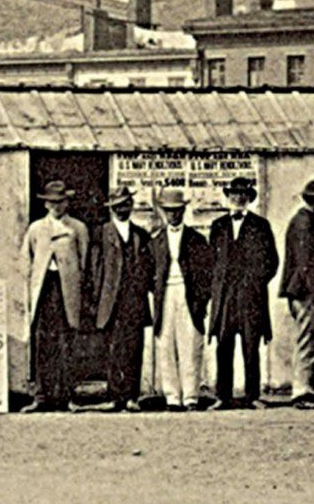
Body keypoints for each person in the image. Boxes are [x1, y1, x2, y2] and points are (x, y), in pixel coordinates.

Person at [207, 176, 279, 410]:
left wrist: (255, 283)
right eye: (234, 194)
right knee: (223, 345)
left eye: (242, 195)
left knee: (251, 346)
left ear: (249, 199)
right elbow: (212, 262)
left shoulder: (261, 225)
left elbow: (272, 262)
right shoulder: (218, 226)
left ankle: (252, 396)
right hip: (226, 297)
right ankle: (223, 396)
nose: (238, 198)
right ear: (228, 197)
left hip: (250, 297)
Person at [21, 180, 89, 412]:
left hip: (66, 291)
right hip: (43, 290)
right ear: (46, 204)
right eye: (52, 202)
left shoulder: (77, 228)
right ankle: (41, 396)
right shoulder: (36, 228)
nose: (56, 206)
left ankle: (67, 397)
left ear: (67, 203)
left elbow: (84, 261)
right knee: (42, 344)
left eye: (61, 202)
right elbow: (26, 261)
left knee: (66, 342)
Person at [92, 185, 154, 412]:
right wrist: (97, 301)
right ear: (111, 209)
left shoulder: (141, 234)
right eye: (117, 206)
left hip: (134, 301)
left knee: (134, 348)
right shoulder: (101, 233)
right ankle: (115, 396)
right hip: (110, 302)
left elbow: (148, 268)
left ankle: (131, 396)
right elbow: (95, 270)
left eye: (126, 205)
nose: (122, 209)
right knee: (114, 349)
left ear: (132, 206)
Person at [150, 189, 213, 411]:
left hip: (189, 295)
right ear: (164, 213)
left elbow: (207, 273)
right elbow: (150, 273)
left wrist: (201, 300)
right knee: (166, 344)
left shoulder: (197, 239)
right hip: (165, 294)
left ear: (184, 211)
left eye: (177, 211)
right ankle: (172, 397)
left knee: (190, 344)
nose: (173, 215)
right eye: (169, 211)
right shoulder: (156, 240)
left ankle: (191, 397)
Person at [279, 178, 314, 408]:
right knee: (308, 340)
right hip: (306, 292)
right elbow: (306, 263)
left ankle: (304, 390)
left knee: (306, 339)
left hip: (299, 291)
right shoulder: (306, 223)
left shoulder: (301, 220)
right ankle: (304, 393)